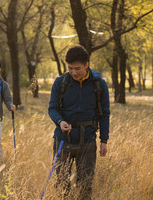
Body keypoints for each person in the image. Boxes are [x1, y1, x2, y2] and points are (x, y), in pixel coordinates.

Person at [48, 45, 110, 199]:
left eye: (77, 68)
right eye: (70, 68)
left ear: (86, 65)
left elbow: (104, 114)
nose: (74, 73)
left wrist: (104, 139)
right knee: (62, 185)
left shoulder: (99, 84)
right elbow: (52, 108)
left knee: (85, 186)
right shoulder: (60, 82)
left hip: (87, 141)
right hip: (63, 141)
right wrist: (60, 121)